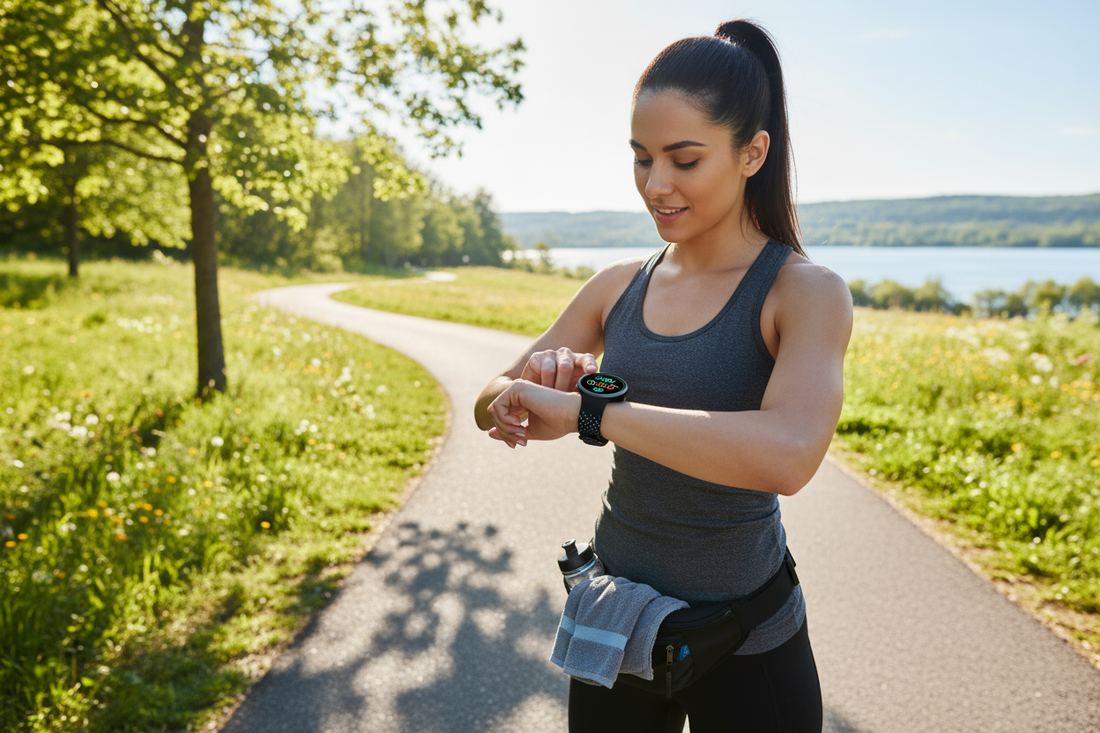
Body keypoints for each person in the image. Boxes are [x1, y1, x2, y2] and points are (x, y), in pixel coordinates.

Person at [475, 19, 852, 733]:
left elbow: (789, 454)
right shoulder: (617, 285)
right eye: (642, 158)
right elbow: (488, 395)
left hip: (748, 641)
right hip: (618, 627)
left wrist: (592, 413)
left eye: (684, 160)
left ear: (752, 152)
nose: (656, 185)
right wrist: (524, 393)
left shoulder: (803, 291)